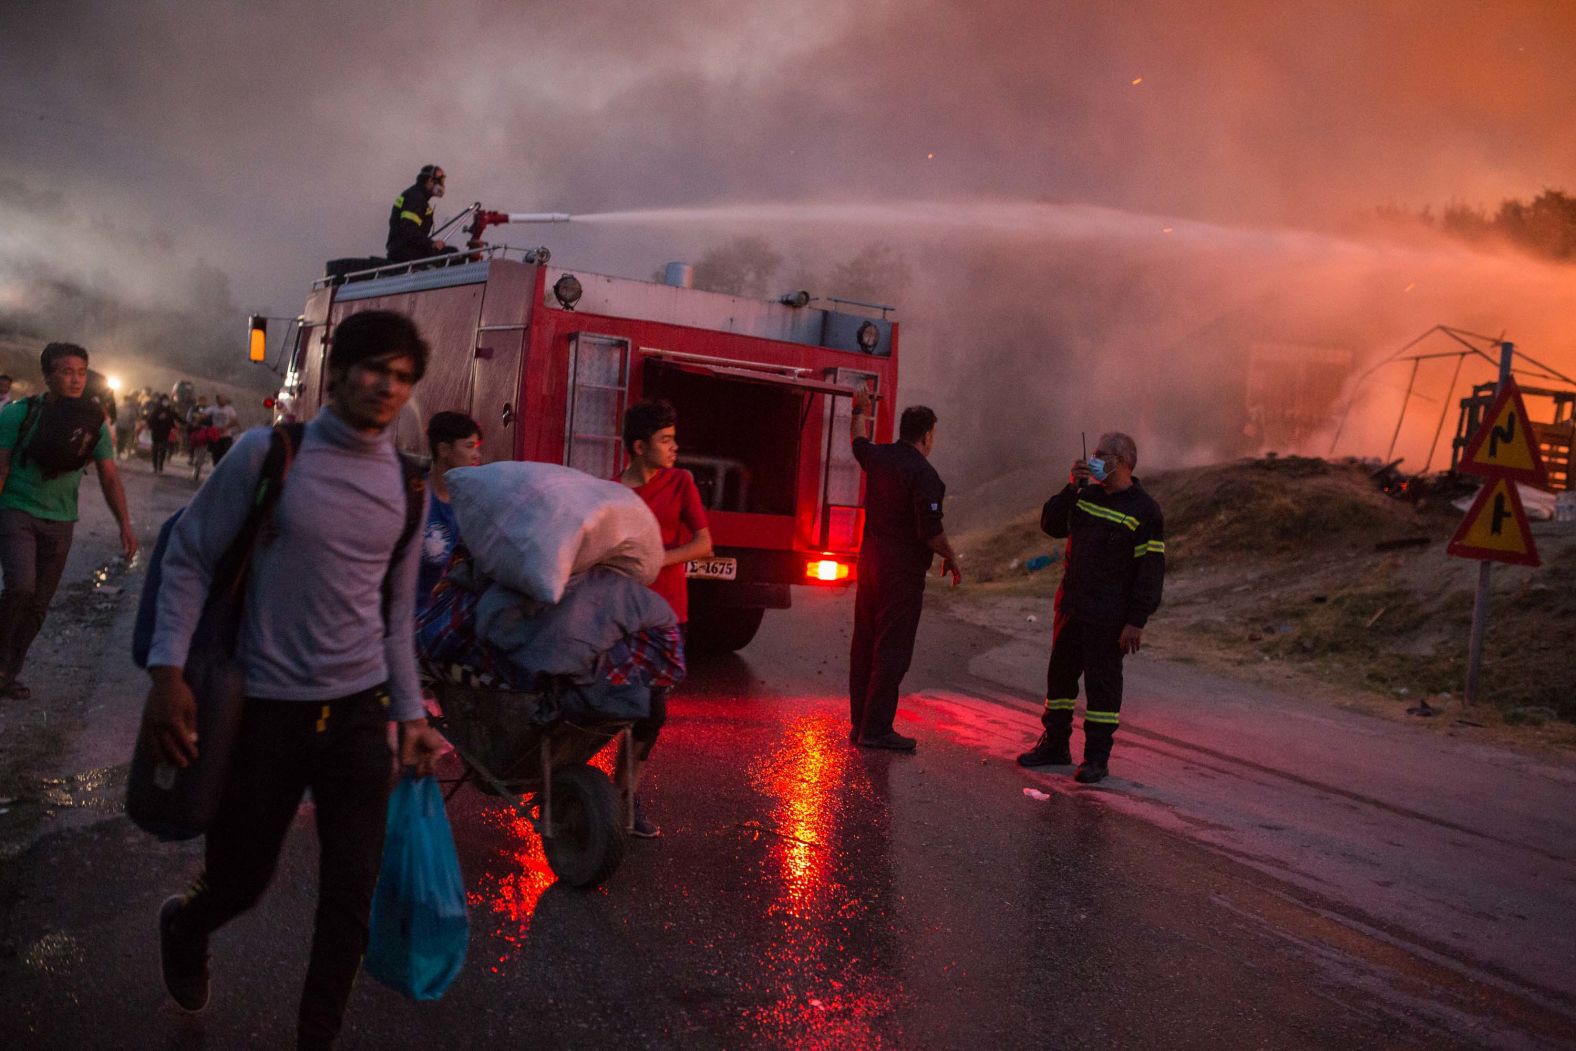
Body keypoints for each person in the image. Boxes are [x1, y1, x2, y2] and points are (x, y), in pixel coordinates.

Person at [144, 310, 447, 1050]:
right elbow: (188, 558)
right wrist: (167, 672)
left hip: (356, 713)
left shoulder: (410, 488)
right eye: (375, 368)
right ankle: (186, 925)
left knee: (351, 893)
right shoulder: (268, 455)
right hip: (263, 712)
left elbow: (396, 611)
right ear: (338, 370)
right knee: (242, 880)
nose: (387, 386)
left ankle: (318, 1036)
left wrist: (410, 714)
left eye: (403, 376)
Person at [1016, 432, 1165, 784]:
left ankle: (1097, 758)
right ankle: (1055, 746)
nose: (1095, 459)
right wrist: (1071, 487)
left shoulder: (1145, 511)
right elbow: (1051, 525)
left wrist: (1136, 621)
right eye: (1094, 453)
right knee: (1060, 682)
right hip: (1072, 607)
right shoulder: (1085, 495)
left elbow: (1150, 572)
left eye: (1102, 455)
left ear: (1124, 460)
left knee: (1103, 688)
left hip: (1109, 617)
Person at [0, 343, 138, 700]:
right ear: (48, 376)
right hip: (18, 510)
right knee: (20, 588)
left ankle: (8, 671)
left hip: (62, 520)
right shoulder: (18, 414)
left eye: (81, 372)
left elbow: (109, 477)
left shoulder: (92, 424)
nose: (76, 379)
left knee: (38, 606)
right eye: (66, 372)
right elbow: (0, 466)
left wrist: (124, 524)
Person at [617, 399, 712, 838]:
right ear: (639, 446)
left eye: (674, 439)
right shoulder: (616, 493)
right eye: (665, 440)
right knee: (629, 706)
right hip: (627, 617)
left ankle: (626, 792)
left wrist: (657, 561)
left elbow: (703, 545)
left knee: (652, 712)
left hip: (672, 614)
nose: (675, 447)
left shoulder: (681, 482)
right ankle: (619, 797)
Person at [846, 387, 960, 752]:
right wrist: (952, 557)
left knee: (864, 643)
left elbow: (858, 441)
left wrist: (859, 410)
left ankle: (859, 724)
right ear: (927, 435)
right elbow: (931, 532)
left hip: (870, 566)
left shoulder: (879, 457)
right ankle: (877, 729)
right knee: (892, 649)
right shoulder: (925, 476)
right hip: (901, 575)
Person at [418, 411, 483, 612]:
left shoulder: (473, 503)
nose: (476, 456)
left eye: (477, 448)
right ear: (444, 449)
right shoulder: (415, 497)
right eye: (469, 446)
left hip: (441, 613)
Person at [386, 164, 456, 264]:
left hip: (407, 249)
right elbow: (408, 230)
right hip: (405, 251)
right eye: (440, 181)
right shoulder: (415, 198)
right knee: (452, 255)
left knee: (451, 253)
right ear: (430, 181)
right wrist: (432, 244)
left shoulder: (418, 197)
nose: (442, 185)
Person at [147, 397, 180, 475]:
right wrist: (158, 418)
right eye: (164, 401)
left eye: (167, 401)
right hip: (156, 433)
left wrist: (174, 427)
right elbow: (150, 421)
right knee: (155, 450)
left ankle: (160, 467)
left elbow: (172, 422)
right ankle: (155, 467)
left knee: (163, 451)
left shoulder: (169, 412)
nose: (166, 403)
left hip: (165, 434)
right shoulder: (156, 411)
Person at [207, 393, 240, 464]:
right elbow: (203, 415)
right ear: (218, 400)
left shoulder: (230, 409)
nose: (224, 400)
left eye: (224, 399)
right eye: (222, 399)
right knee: (216, 458)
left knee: (226, 456)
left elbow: (234, 420)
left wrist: (226, 427)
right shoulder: (213, 408)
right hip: (215, 436)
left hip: (226, 436)